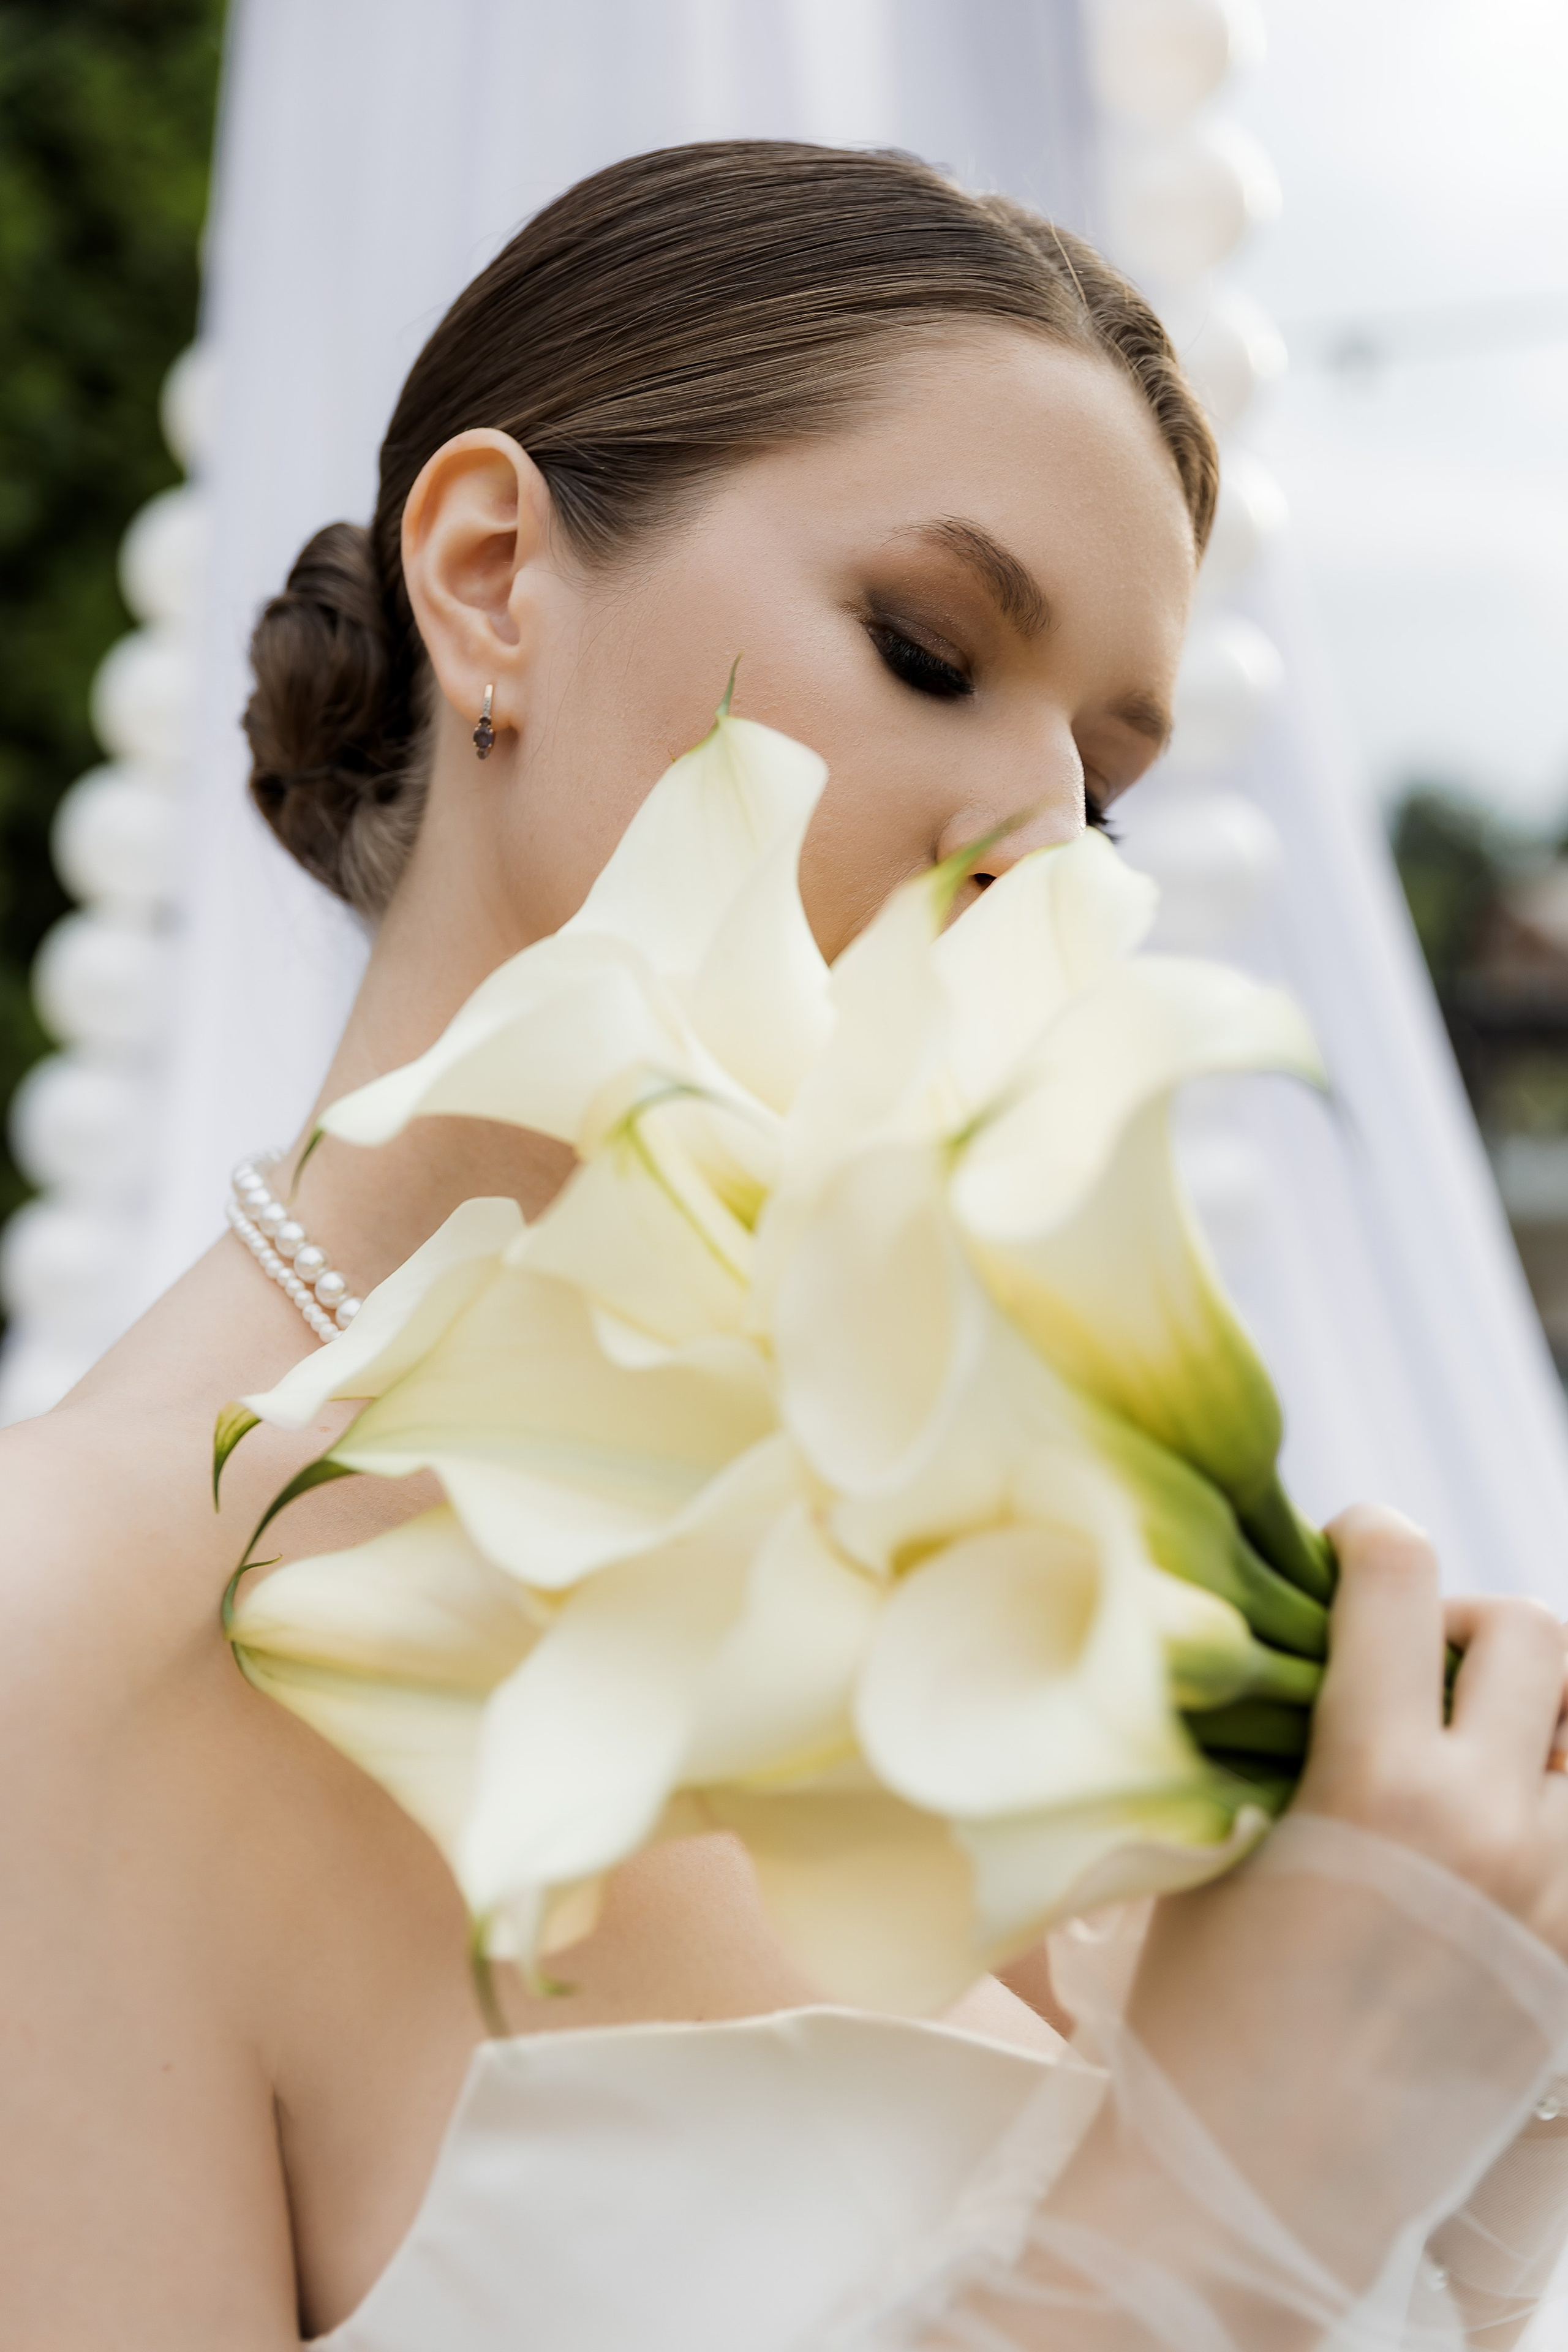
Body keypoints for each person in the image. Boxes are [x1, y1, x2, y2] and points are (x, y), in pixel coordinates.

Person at [4, 140, 1568, 2352]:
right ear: (484, 576)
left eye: (1108, 788)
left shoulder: (982, 1574)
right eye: (932, 650)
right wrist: (1196, 2245)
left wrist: (1447, 2211)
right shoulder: (61, 1646)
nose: (1050, 845)